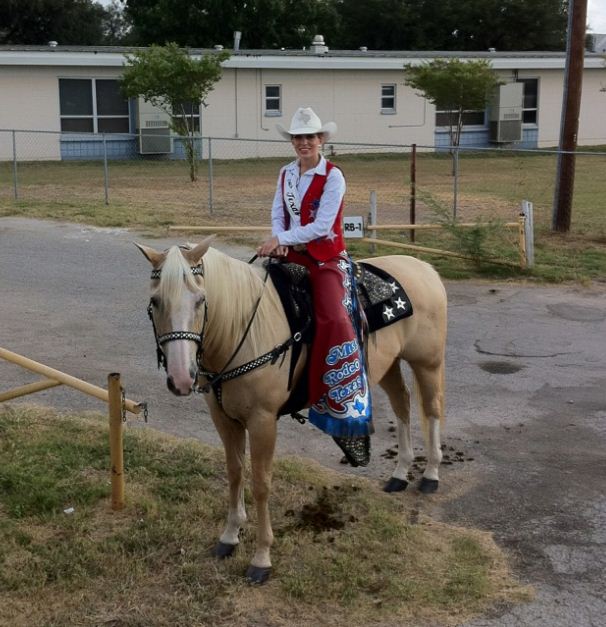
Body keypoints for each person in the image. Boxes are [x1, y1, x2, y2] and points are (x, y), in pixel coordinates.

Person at [257, 106, 373, 466]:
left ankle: (345, 406)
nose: (304, 142)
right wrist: (278, 239)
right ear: (292, 141)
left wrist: (282, 237)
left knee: (334, 319)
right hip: (292, 254)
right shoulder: (285, 174)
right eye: (298, 137)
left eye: (310, 136)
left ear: (321, 140)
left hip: (325, 258)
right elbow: (279, 213)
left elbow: (323, 227)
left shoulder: (334, 176)